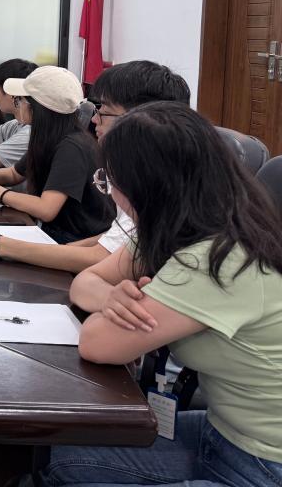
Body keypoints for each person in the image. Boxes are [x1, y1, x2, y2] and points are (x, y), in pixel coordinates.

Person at [42, 103, 282, 486]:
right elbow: (86, 281)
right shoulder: (191, 226)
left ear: (147, 187)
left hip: (263, 464)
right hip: (222, 432)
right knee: (62, 457)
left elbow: (98, 343)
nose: (111, 194)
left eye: (110, 181)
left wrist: (115, 307)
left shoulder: (218, 258)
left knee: (64, 463)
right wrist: (112, 299)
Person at [0, 61, 191, 273]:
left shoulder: (75, 147)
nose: (94, 119)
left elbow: (53, 215)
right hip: (70, 242)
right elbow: (112, 239)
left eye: (104, 111)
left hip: (70, 235)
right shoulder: (49, 139)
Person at [0, 66, 115, 244]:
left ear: (37, 108)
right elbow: (14, 174)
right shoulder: (49, 137)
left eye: (20, 100)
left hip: (73, 241)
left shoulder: (72, 147)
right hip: (54, 231)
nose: (18, 105)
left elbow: (46, 209)